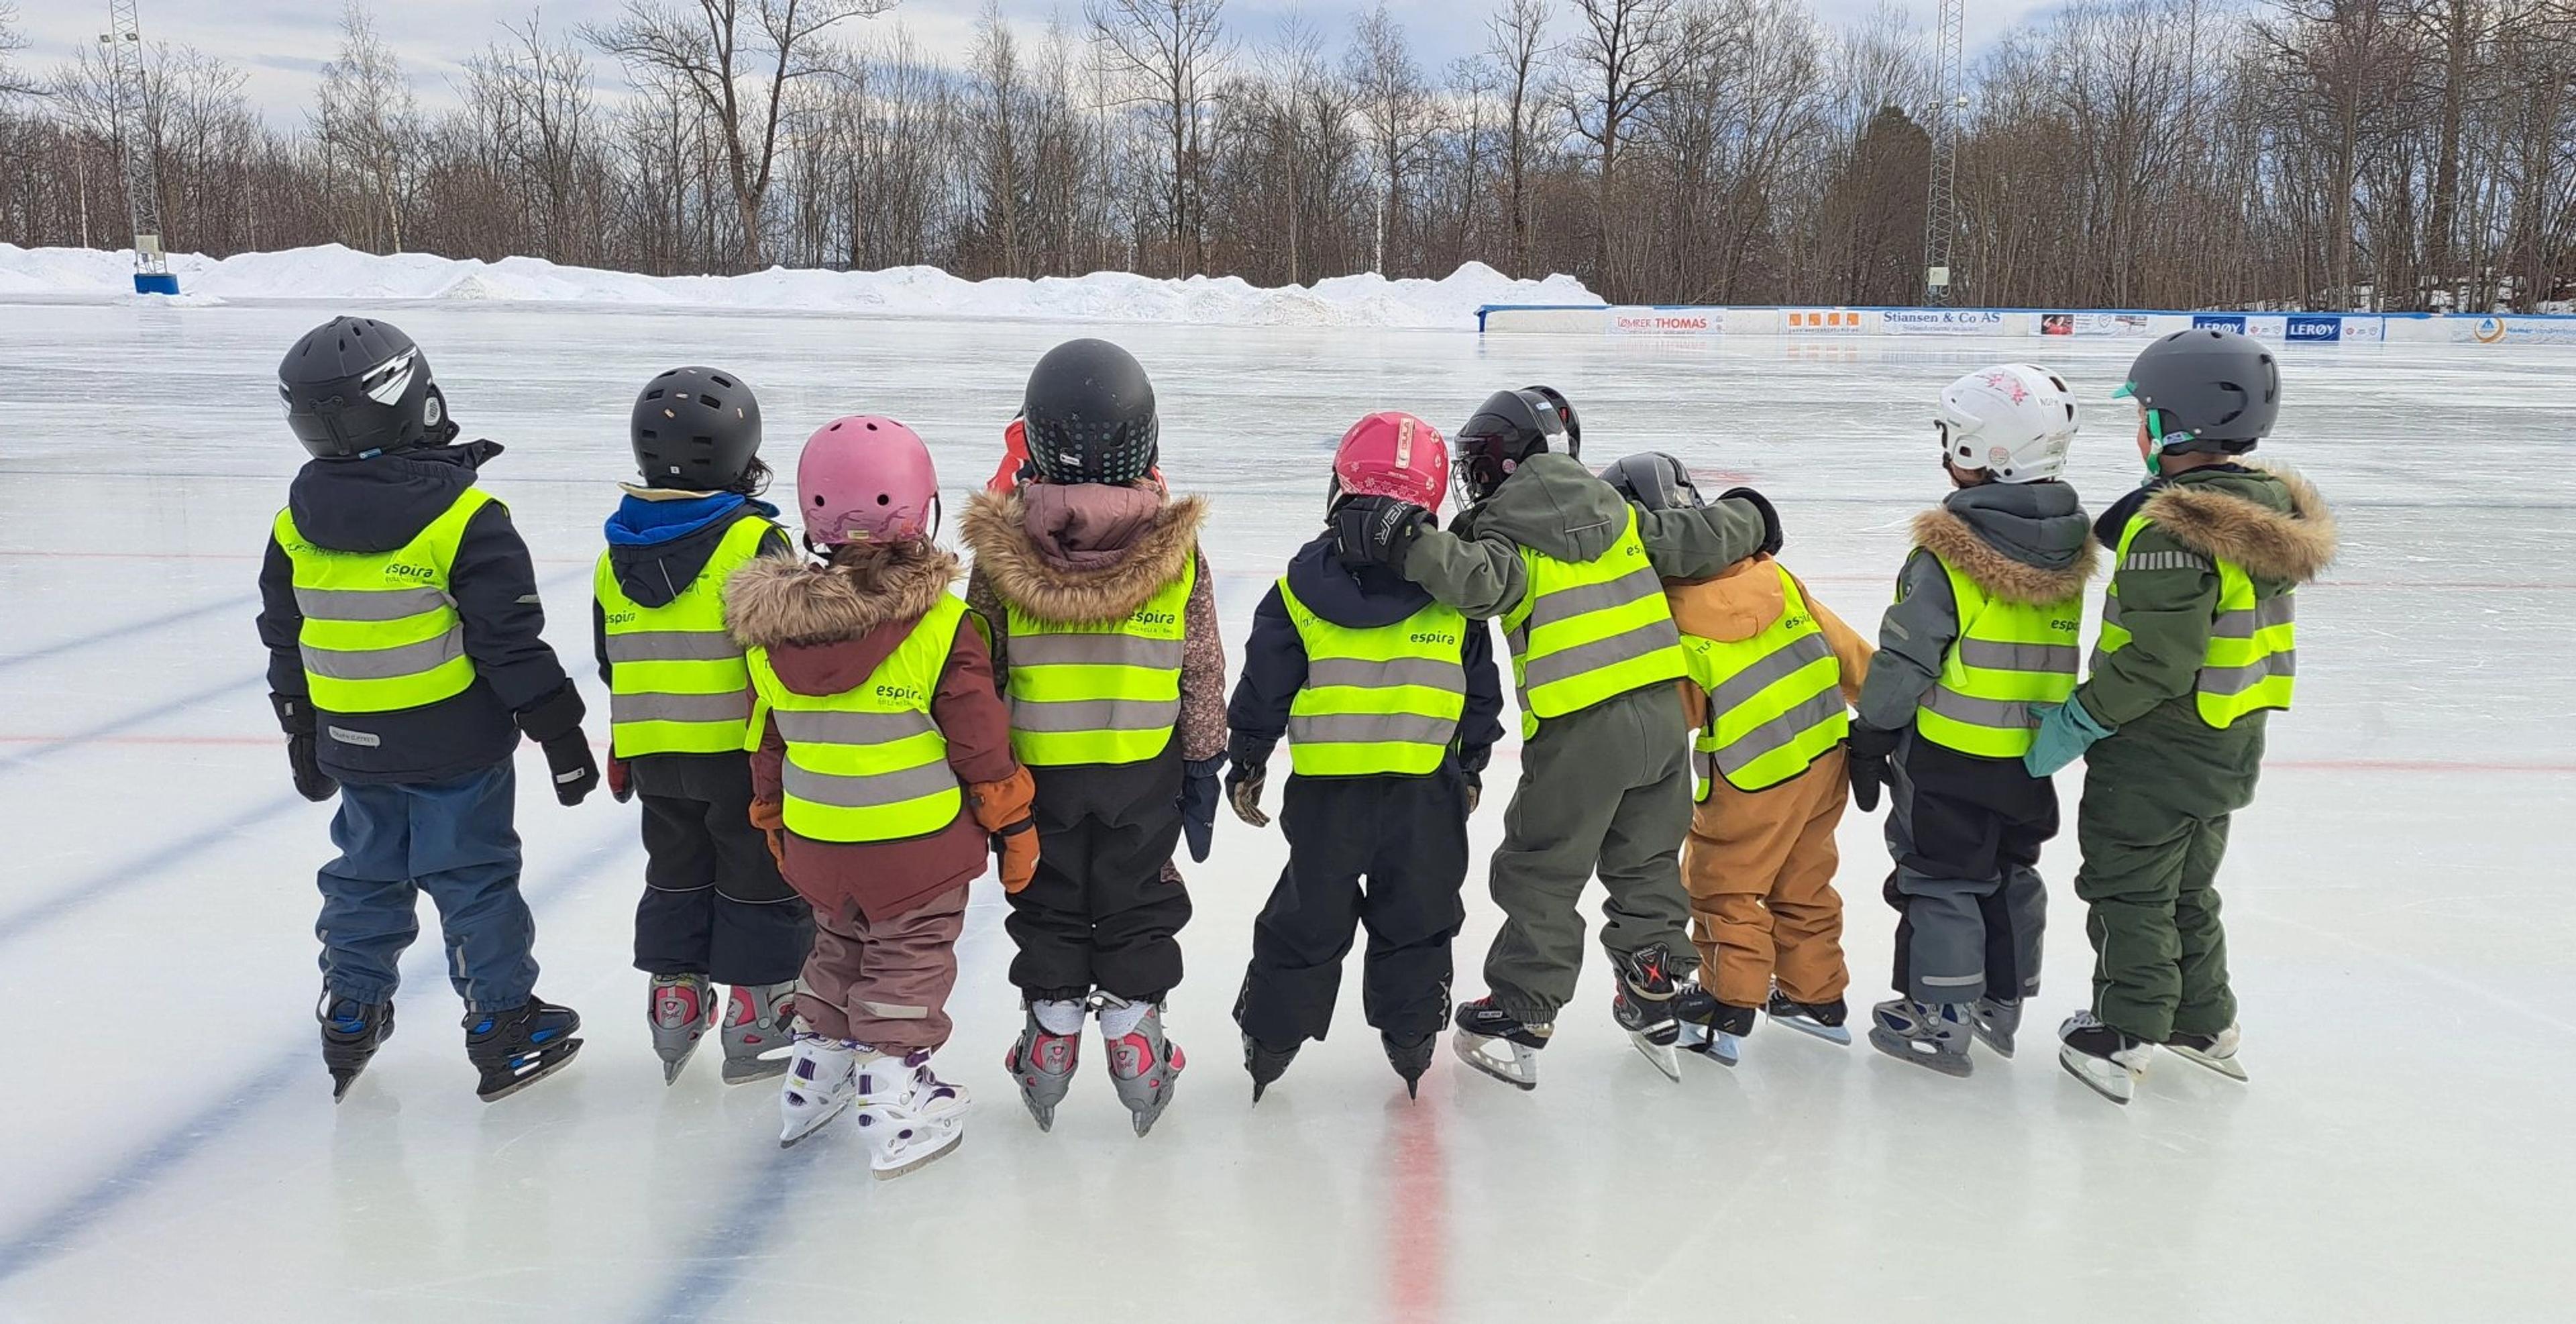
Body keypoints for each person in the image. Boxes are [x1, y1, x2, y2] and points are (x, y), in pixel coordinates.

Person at [1331, 386, 1778, 1088]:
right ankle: (1656, 980)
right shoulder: (1627, 519)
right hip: (1662, 722)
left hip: (1579, 731)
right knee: (1647, 863)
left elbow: (1474, 584)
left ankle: (1523, 1008)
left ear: (1499, 466)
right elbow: (1700, 539)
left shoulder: (1505, 537)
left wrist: (1405, 539)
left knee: (1541, 870)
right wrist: (1752, 514)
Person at [257, 316, 596, 1103]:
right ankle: (502, 1022)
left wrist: (301, 727)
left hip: (352, 745)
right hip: (454, 749)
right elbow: (509, 643)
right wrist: (561, 732)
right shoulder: (465, 519)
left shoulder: (293, 524)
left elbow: (286, 638)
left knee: (365, 877)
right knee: (474, 879)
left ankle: (350, 1009)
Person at [2029, 329, 2336, 1104]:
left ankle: (2124, 1031)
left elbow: (2156, 659)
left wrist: (2080, 719)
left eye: (2144, 413)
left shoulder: (2177, 532)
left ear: (2176, 424)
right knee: (2188, 888)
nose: (2138, 427)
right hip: (2230, 741)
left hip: (2160, 747)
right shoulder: (2258, 511)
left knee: (2128, 886)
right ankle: (2203, 1020)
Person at [727, 415, 1039, 1174]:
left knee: (837, 948)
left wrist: (771, 816)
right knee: (907, 961)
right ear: (920, 511)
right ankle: (898, 1094)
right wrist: (1013, 821)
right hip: (917, 852)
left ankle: (815, 1075)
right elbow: (978, 740)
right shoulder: (941, 625)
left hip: (820, 843)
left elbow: (766, 736)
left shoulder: (773, 631)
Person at [962, 338, 1226, 1136]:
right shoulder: (1177, 550)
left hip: (1037, 774)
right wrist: (1206, 759)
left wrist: (976, 774)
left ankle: (1050, 1034)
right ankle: (1135, 1040)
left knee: (1047, 900)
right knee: (1137, 900)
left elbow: (978, 666)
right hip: (1141, 772)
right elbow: (1201, 665)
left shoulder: (1003, 552)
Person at [1225, 412, 1506, 1100]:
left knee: (1307, 915)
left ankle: (1272, 1036)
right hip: (1425, 795)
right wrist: (1470, 766)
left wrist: (1250, 759)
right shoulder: (1453, 593)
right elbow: (1480, 693)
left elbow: (1265, 683)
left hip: (1329, 797)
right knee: (1419, 916)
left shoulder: (1297, 590)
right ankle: (1411, 1038)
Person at [1843, 364, 2093, 1078]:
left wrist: (1875, 730)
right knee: (2011, 870)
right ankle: (2001, 1001)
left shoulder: (1945, 556)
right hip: (2031, 756)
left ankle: (1941, 1014)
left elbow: (1906, 656)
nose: (1946, 452)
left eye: (1956, 440)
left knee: (1944, 879)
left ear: (1991, 454)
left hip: (1949, 754)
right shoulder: (2069, 546)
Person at [1602, 453, 1872, 1068]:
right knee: (1805, 882)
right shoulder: (1773, 575)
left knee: (1724, 888)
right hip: (1826, 757)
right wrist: (1888, 716)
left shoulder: (1669, 616)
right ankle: (1817, 998)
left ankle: (1728, 1004)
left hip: (1750, 778)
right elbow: (1848, 655)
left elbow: (1677, 717)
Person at [594, 366, 810, 1086]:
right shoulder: (754, 543)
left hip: (656, 754)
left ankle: (676, 1001)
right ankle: (760, 1012)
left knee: (676, 873)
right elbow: (793, 651)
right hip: (739, 755)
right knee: (758, 878)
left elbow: (610, 658)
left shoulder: (613, 555)